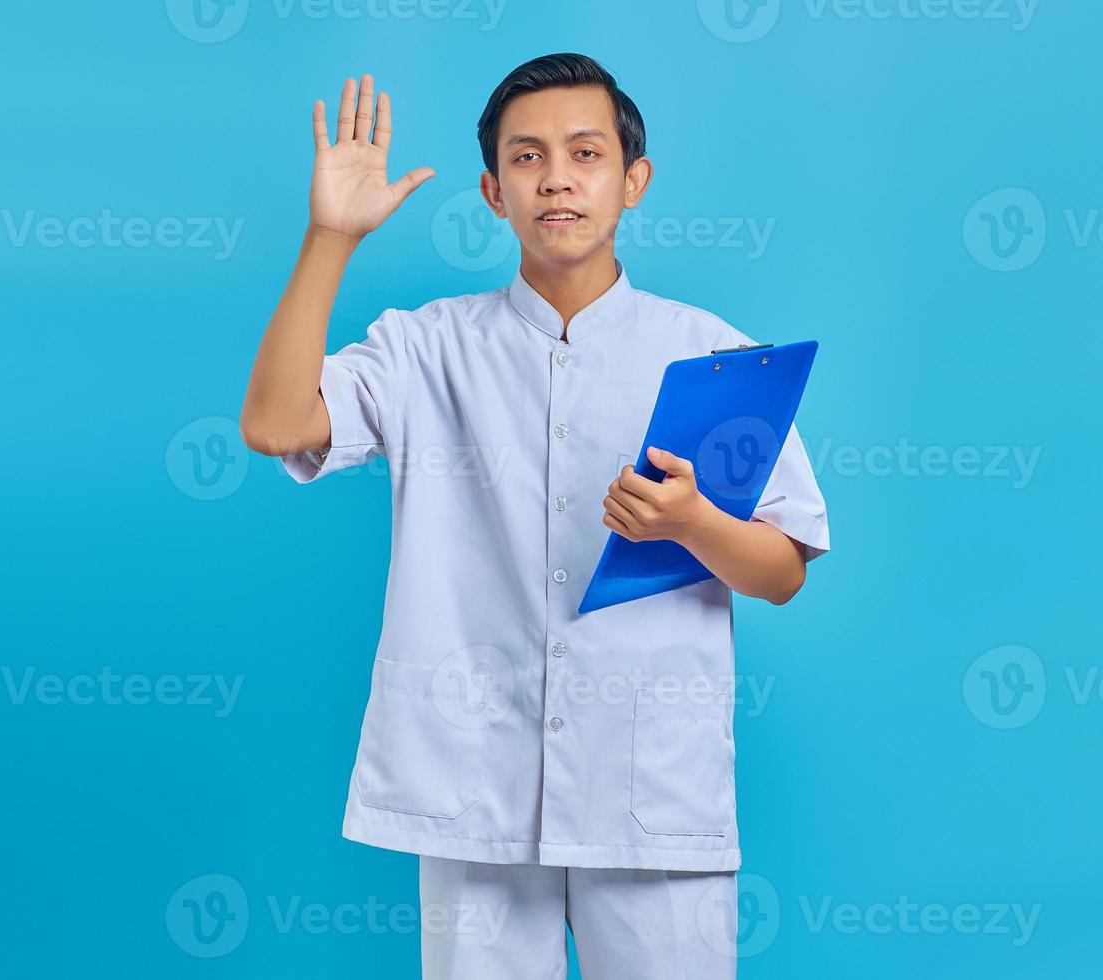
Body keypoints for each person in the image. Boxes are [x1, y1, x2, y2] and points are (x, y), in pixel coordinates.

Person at [240, 52, 830, 980]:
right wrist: (330, 238)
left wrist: (691, 524)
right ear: (492, 190)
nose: (556, 176)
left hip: (651, 795)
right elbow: (275, 424)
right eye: (527, 157)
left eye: (585, 152)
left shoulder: (713, 355)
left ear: (632, 180)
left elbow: (784, 572)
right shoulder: (425, 347)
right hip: (475, 788)